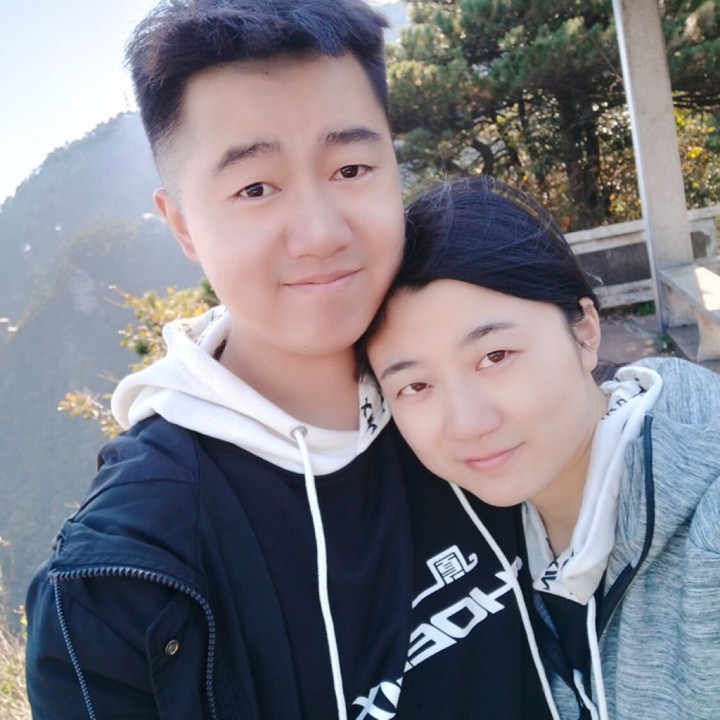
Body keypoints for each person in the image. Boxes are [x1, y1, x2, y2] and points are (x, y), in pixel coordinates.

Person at [25, 4, 558, 719]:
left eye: (351, 168)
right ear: (182, 224)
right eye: (255, 188)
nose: (320, 233)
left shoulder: (485, 383)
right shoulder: (116, 590)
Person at [364, 175, 720, 720]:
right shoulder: (477, 542)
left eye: (496, 356)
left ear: (585, 332)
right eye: (415, 386)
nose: (468, 424)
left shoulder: (707, 536)